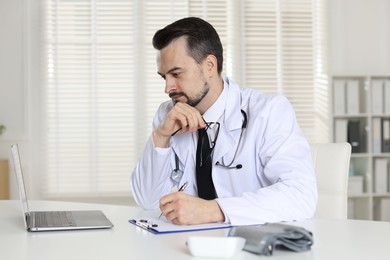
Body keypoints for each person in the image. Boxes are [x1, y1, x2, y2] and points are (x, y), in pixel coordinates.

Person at [131, 17, 317, 226]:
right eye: (164, 77)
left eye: (176, 74)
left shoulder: (269, 111)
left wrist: (213, 210)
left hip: (253, 245)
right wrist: (160, 137)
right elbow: (148, 201)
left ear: (210, 65)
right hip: (192, 244)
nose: (168, 88)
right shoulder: (169, 115)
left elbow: (301, 196)